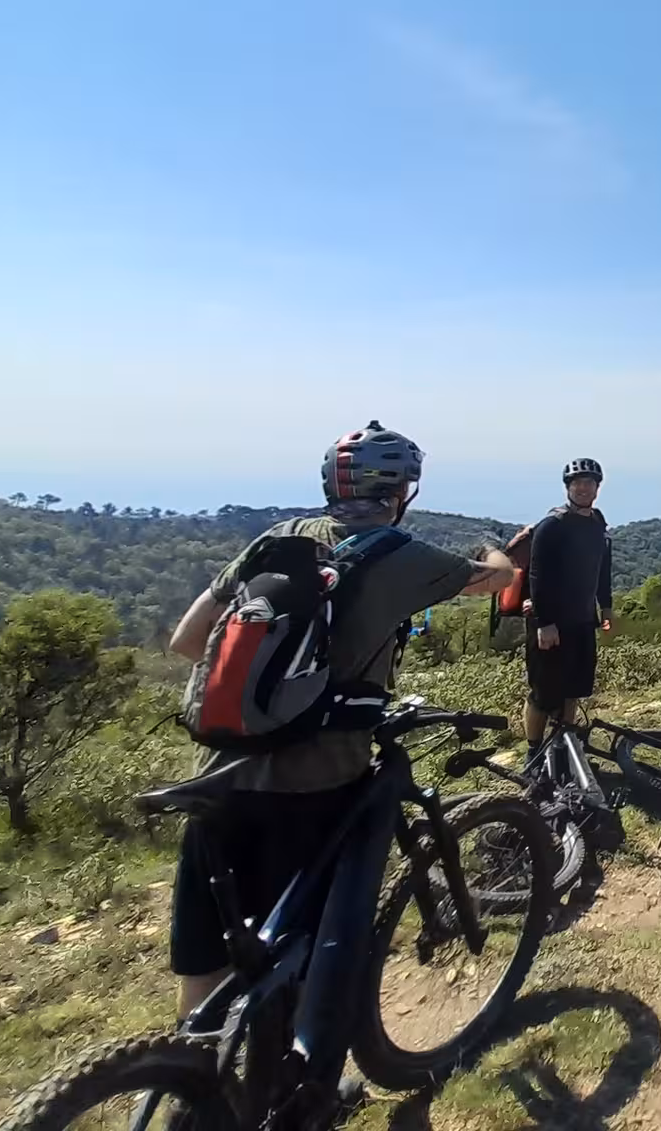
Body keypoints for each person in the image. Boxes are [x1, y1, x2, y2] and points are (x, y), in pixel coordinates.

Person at [163, 421, 516, 1023]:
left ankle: (190, 1077)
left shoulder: (279, 539)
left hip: (217, 773)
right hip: (316, 782)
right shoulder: (398, 554)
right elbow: (498, 582)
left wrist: (266, 698)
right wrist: (492, 548)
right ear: (400, 491)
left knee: (208, 958)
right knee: (307, 943)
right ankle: (293, 1086)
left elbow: (187, 641)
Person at [522, 456, 613, 746]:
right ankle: (534, 752)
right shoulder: (552, 525)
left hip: (583, 620)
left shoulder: (597, 522)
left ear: (597, 488)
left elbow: (602, 568)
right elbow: (537, 576)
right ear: (568, 488)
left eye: (589, 483)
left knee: (574, 688)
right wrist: (545, 623)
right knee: (543, 693)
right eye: (577, 483)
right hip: (551, 623)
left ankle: (565, 742)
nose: (584, 488)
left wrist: (606, 606)